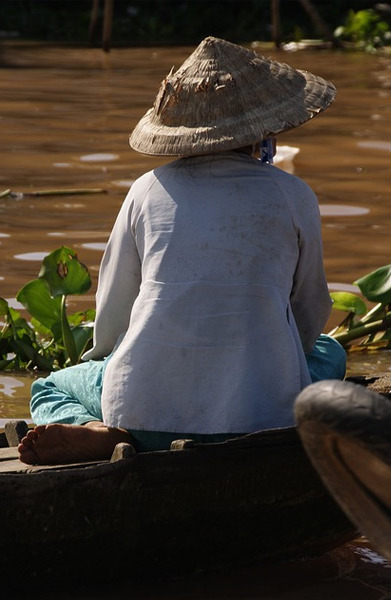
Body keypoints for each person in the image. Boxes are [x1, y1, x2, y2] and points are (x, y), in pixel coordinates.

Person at [18, 36, 345, 466]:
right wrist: (285, 357)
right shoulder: (294, 194)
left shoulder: (145, 191)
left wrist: (109, 367)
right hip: (260, 416)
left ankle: (98, 428)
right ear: (264, 132)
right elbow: (310, 308)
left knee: (50, 388)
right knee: (330, 353)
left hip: (142, 413)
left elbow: (116, 309)